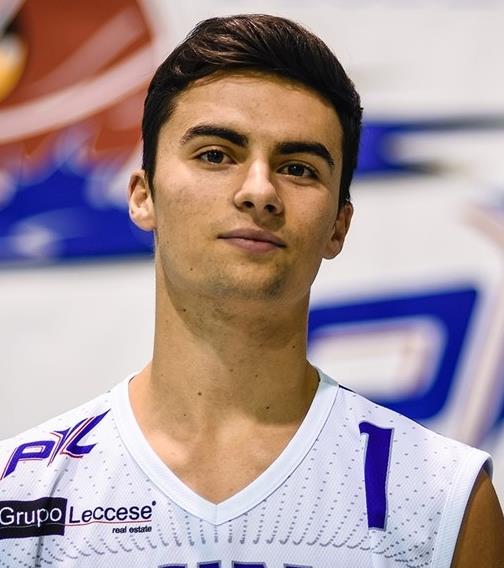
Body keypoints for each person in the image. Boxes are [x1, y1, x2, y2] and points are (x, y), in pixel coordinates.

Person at [1, 13, 503, 568]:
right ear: (143, 196)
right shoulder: (18, 496)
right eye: (216, 155)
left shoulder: (440, 499)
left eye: (299, 168)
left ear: (338, 226)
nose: (259, 190)